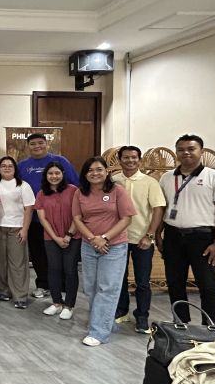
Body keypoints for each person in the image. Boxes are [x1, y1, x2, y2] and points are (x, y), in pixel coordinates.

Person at [157, 134, 215, 325]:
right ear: (176, 152)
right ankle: (180, 324)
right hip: (173, 235)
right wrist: (158, 234)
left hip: (203, 238)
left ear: (201, 151)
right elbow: (162, 208)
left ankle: (210, 328)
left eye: (191, 149)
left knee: (207, 286)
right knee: (175, 284)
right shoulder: (167, 178)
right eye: (181, 149)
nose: (186, 153)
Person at [72, 157, 136, 346]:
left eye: (99, 169)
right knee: (91, 288)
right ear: (85, 174)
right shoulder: (79, 193)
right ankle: (103, 323)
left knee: (107, 288)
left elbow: (126, 219)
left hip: (114, 246)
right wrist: (93, 239)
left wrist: (104, 238)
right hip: (89, 244)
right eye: (90, 170)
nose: (95, 173)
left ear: (107, 171)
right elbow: (77, 218)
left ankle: (99, 332)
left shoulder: (118, 191)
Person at [18, 133, 80, 299]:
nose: (37, 146)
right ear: (28, 146)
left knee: (63, 253)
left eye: (40, 143)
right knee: (39, 254)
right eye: (33, 144)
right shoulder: (23, 165)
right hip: (35, 219)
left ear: (46, 144)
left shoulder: (61, 161)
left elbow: (76, 185)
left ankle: (65, 286)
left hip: (61, 218)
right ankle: (43, 285)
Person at [112, 146, 166, 333]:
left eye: (134, 158)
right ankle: (121, 311)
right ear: (119, 160)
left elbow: (158, 209)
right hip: (118, 239)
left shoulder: (150, 182)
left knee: (142, 281)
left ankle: (142, 317)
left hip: (142, 239)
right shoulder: (113, 181)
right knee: (119, 278)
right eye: (126, 158)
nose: (130, 161)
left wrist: (150, 235)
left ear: (140, 160)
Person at [35, 162, 81, 320]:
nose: (54, 176)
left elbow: (78, 216)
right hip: (51, 237)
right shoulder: (41, 194)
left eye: (57, 173)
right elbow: (42, 219)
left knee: (70, 270)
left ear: (63, 174)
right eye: (50, 174)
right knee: (53, 269)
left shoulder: (74, 191)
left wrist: (68, 235)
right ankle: (56, 303)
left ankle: (69, 305)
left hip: (73, 237)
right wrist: (55, 238)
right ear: (46, 176)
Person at [0, 156, 36, 309]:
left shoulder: (23, 185)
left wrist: (24, 229)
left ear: (15, 168)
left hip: (16, 228)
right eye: (3, 165)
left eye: (10, 165)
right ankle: (3, 291)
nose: (6, 167)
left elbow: (29, 209)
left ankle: (20, 296)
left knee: (17, 263)